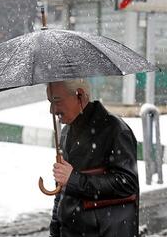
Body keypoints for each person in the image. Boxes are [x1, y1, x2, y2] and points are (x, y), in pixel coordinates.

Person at [47, 79, 139, 237]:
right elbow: (62, 191)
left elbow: (127, 183)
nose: (52, 110)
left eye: (56, 100)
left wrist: (74, 180)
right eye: (50, 101)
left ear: (80, 95)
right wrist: (55, 228)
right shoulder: (66, 133)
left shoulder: (115, 130)